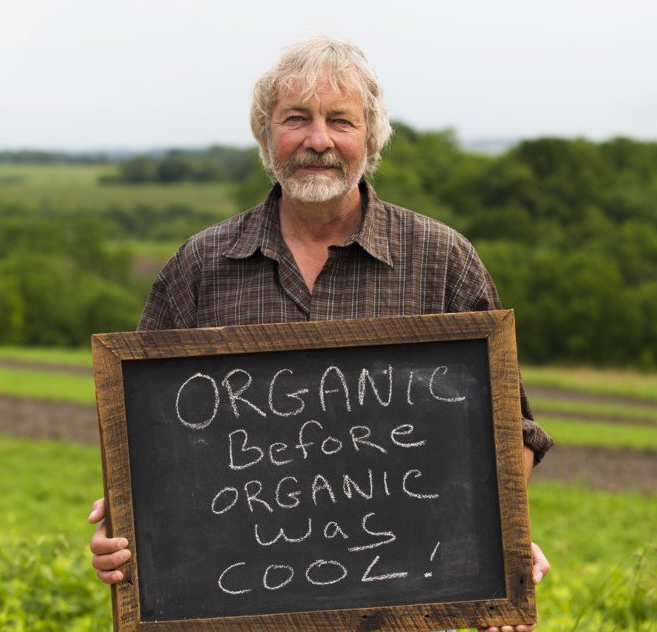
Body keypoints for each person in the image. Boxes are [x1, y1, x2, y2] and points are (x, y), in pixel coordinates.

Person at [89, 36, 553, 632]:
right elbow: (145, 440)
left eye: (340, 121)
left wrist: (497, 548)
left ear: (370, 138)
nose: (318, 140)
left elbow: (510, 432)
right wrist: (120, 532)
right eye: (296, 120)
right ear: (265, 137)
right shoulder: (201, 266)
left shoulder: (442, 260)